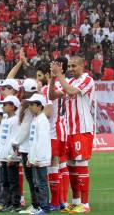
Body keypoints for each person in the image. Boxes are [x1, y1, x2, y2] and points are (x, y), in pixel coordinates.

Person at [51, 56, 95, 214]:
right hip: (68, 130)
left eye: (74, 66)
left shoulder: (87, 79)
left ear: (82, 66)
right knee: (70, 165)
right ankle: (75, 201)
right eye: (69, 66)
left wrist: (60, 75)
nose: (70, 68)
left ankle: (85, 204)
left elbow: (70, 92)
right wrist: (52, 79)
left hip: (82, 129)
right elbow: (53, 96)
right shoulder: (69, 81)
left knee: (81, 164)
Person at [42, 57, 70, 210]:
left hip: (55, 129)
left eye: (54, 65)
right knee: (60, 165)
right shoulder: (61, 83)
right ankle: (61, 200)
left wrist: (53, 78)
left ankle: (56, 201)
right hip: (60, 128)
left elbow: (52, 96)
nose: (51, 67)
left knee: (54, 164)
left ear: (61, 68)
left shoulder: (60, 84)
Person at [12, 78, 40, 214]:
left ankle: (37, 205)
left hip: (27, 147)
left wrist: (15, 142)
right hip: (27, 147)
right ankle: (36, 204)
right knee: (32, 178)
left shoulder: (29, 107)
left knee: (32, 178)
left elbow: (25, 127)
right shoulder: (30, 105)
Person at [24, 93, 53, 215]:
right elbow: (32, 141)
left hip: (40, 158)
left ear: (40, 106)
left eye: (32, 104)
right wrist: (30, 157)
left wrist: (36, 158)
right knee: (37, 183)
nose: (30, 107)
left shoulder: (42, 120)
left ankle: (45, 208)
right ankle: (41, 207)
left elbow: (41, 142)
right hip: (35, 158)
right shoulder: (36, 119)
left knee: (41, 183)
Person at [0, 95, 22, 212]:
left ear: (12, 106)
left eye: (5, 104)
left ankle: (15, 204)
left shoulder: (16, 120)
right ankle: (6, 203)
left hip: (11, 157)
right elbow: (2, 139)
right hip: (3, 156)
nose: (3, 106)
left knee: (13, 182)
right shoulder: (5, 119)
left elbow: (15, 139)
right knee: (4, 181)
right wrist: (0, 155)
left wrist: (13, 156)